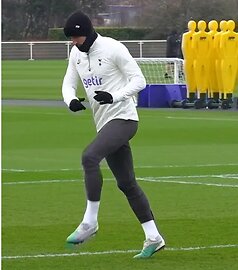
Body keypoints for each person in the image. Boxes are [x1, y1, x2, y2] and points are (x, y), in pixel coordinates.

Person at [61, 10, 165, 259]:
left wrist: (115, 96)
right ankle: (154, 237)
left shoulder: (113, 48)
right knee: (127, 183)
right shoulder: (76, 53)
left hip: (124, 119)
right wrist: (71, 100)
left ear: (86, 33)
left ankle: (90, 222)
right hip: (103, 123)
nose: (73, 42)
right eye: (71, 38)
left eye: (76, 37)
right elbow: (68, 82)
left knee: (89, 157)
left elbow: (139, 80)